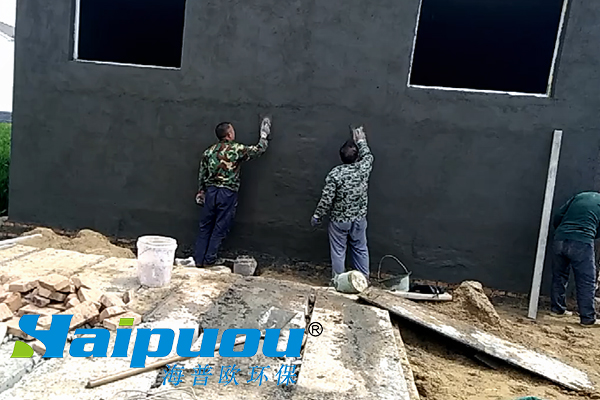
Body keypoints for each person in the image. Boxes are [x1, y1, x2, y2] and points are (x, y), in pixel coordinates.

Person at [194, 117, 271, 267]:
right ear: (229, 134)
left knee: (205, 227)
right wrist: (264, 136)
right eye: (232, 130)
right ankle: (210, 259)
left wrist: (201, 191)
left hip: (211, 192)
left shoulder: (209, 152)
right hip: (227, 192)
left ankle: (198, 260)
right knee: (220, 227)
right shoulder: (236, 149)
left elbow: (202, 174)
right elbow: (259, 150)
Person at [311, 125, 374, 279]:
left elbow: (326, 199)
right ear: (357, 157)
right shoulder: (363, 169)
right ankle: (363, 279)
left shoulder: (335, 174)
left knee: (338, 251)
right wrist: (361, 140)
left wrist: (318, 215)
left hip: (339, 222)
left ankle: (339, 281)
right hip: (359, 219)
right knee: (360, 248)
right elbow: (368, 156)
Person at [551, 191, 600, 327]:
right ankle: (587, 318)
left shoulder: (581, 196)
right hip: (581, 242)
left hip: (560, 238)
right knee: (586, 280)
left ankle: (557, 309)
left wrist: (562, 231)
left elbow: (558, 215)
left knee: (559, 275)